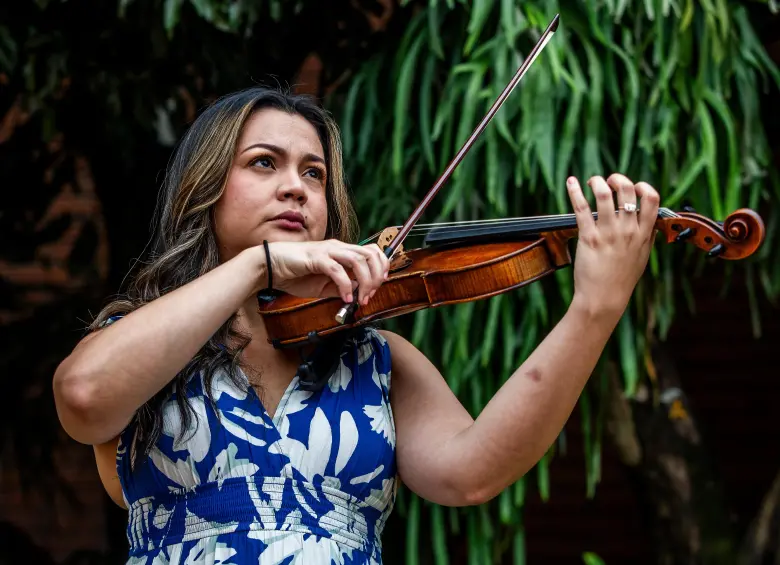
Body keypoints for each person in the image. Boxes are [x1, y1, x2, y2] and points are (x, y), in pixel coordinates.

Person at [52, 86, 659, 564]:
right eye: (265, 164)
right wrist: (253, 268)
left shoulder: (374, 357)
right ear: (206, 189)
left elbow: (473, 473)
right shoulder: (144, 339)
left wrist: (593, 309)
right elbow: (83, 398)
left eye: (314, 173)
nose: (295, 186)